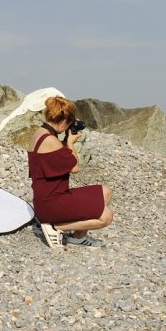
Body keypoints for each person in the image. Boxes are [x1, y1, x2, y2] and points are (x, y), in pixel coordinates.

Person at [27, 96, 113, 249]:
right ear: (63, 122)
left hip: (51, 196)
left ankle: (78, 238)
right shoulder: (50, 141)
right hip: (51, 203)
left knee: (105, 192)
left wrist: (65, 140)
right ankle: (56, 227)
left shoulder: (40, 133)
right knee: (106, 217)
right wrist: (70, 143)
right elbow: (74, 168)